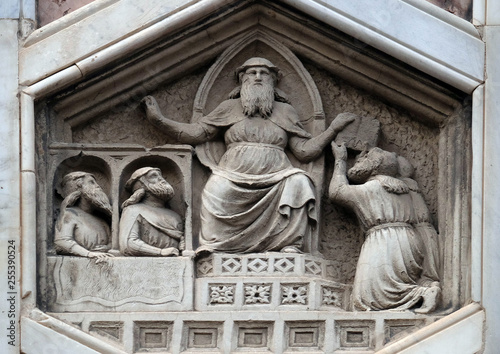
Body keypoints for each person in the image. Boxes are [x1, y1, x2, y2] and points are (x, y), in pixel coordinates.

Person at [142, 57, 354, 255]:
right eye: (252, 73)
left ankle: (288, 244)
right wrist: (159, 120)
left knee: (299, 182)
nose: (258, 77)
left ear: (273, 81)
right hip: (232, 175)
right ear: (242, 79)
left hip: (277, 176)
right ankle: (216, 245)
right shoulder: (228, 108)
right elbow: (197, 133)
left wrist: (333, 129)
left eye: (264, 73)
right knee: (215, 188)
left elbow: (304, 151)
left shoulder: (286, 111)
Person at [329, 143, 440, 313]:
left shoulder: (371, 189)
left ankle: (421, 293)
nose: (359, 161)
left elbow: (337, 192)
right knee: (387, 285)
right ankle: (422, 291)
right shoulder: (406, 189)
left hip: (384, 240)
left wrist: (340, 160)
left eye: (364, 159)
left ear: (374, 167)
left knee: (367, 298)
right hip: (408, 240)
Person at [119, 167, 184, 257]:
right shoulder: (133, 210)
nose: (161, 179)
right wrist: (160, 252)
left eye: (160, 176)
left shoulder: (175, 216)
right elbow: (128, 244)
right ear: (141, 185)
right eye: (153, 176)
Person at [397, 156, 441, 289]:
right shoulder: (413, 186)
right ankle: (429, 285)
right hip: (428, 230)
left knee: (424, 271)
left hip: (417, 231)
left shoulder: (401, 186)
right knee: (430, 271)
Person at [54, 172, 114, 262]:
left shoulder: (101, 219)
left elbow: (111, 242)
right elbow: (61, 241)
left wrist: (106, 247)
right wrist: (88, 253)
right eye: (91, 182)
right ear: (79, 188)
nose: (98, 186)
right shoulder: (69, 214)